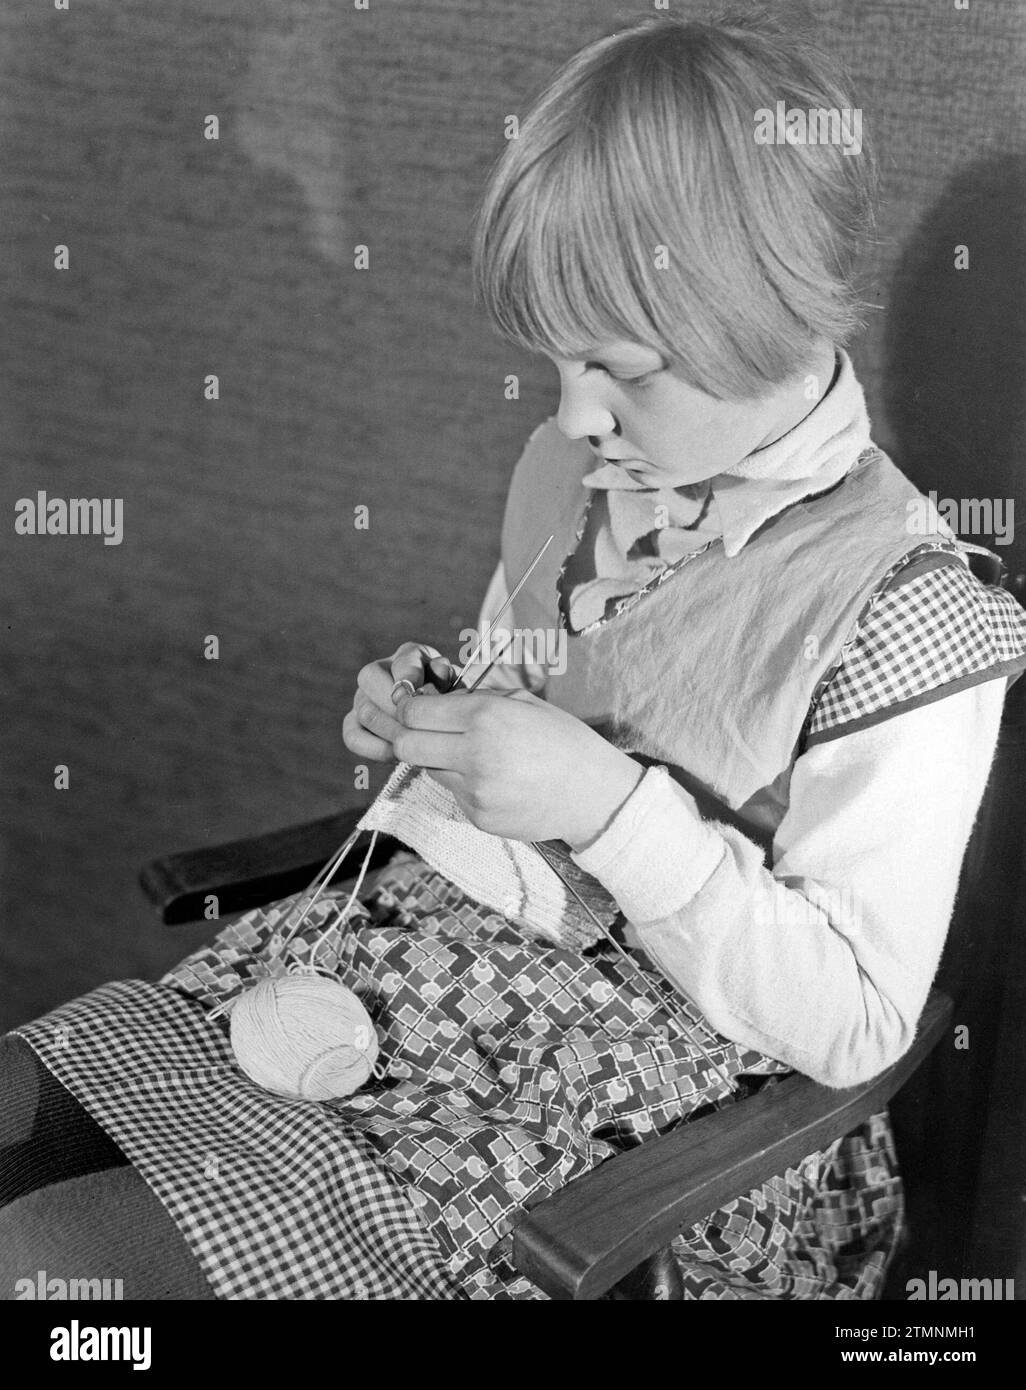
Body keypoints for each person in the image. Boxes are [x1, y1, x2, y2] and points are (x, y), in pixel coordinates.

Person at [3, 9, 1025, 1301]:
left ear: (753, 318)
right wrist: (432, 733)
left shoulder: (907, 614)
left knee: (67, 1282)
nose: (569, 414)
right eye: (552, 363)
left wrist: (601, 801)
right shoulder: (583, 470)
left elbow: (851, 1022)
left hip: (628, 1120)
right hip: (408, 967)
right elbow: (525, 699)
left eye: (613, 368)